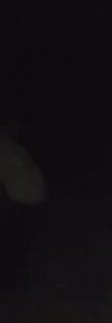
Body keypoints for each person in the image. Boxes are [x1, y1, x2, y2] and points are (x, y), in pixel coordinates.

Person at [0, 118, 46, 290]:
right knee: (11, 249)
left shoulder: (13, 146)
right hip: (13, 206)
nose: (15, 128)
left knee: (19, 248)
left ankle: (15, 282)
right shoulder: (4, 147)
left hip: (26, 204)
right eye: (10, 124)